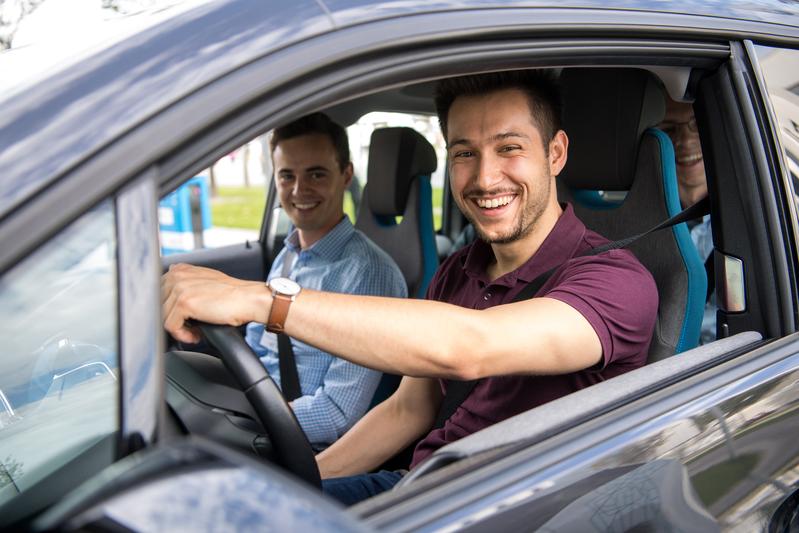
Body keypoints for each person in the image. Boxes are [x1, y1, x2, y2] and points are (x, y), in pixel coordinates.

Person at [162, 70, 659, 504]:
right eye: (465, 153)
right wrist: (303, 483)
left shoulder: (615, 280)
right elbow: (409, 407)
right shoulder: (459, 269)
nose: (485, 178)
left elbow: (469, 347)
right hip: (417, 486)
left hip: (515, 506)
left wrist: (259, 300)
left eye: (510, 148)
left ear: (555, 153)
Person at [244, 113, 407, 448]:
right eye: (286, 176)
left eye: (316, 174)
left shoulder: (368, 273)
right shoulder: (288, 254)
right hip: (258, 415)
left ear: (345, 175)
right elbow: (254, 346)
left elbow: (335, 414)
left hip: (300, 443)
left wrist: (251, 424)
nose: (299, 190)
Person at [659, 96, 715, 344]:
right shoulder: (638, 225)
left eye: (697, 124)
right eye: (670, 130)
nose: (686, 140)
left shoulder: (750, 216)